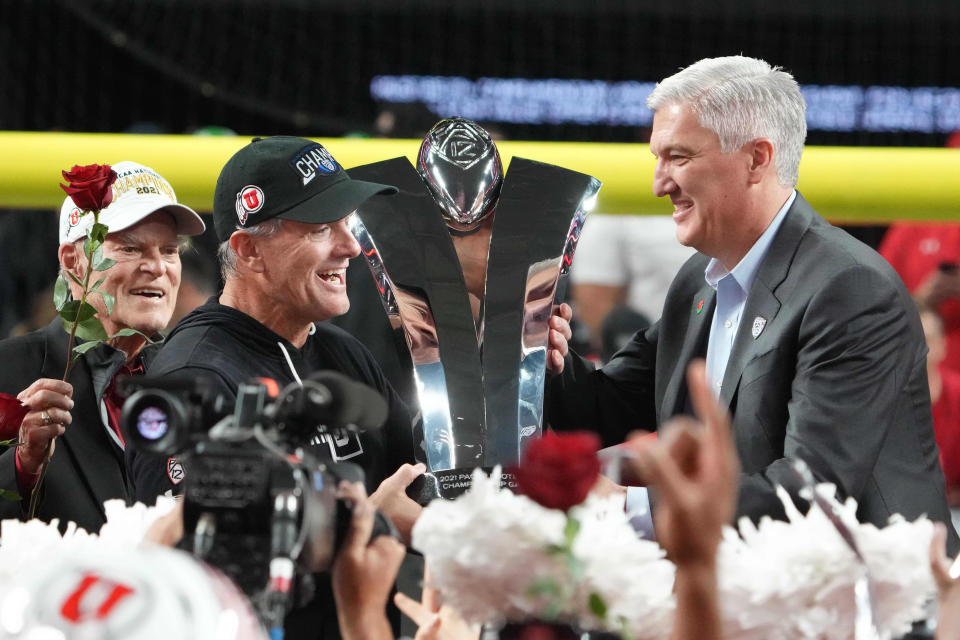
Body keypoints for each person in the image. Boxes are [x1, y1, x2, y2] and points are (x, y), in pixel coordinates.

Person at [547, 55, 959, 552]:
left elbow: (813, 493)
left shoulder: (850, 288)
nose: (659, 184)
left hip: (866, 607)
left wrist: (622, 507)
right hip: (756, 593)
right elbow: (604, 410)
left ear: (757, 159)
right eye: (657, 158)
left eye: (678, 157)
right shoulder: (698, 281)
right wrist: (543, 355)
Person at [127, 135, 422, 640]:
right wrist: (367, 519)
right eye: (322, 228)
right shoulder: (195, 378)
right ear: (250, 251)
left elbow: (417, 478)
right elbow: (195, 569)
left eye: (347, 224)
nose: (350, 246)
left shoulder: (342, 352)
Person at [0, 160, 205, 533]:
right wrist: (22, 466)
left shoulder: (193, 380)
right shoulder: (9, 370)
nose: (158, 267)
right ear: (73, 262)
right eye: (131, 249)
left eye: (170, 250)